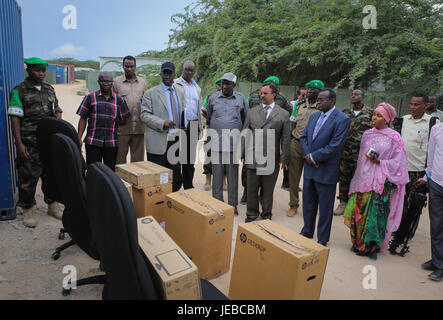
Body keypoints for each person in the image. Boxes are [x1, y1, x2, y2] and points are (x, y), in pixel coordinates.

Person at [344, 103, 409, 260]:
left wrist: (380, 161)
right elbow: (361, 160)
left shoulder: (394, 137)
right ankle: (358, 243)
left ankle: (372, 246)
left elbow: (398, 162)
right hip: (363, 180)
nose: (374, 118)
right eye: (374, 114)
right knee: (358, 213)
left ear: (386, 119)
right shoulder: (367, 134)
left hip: (380, 182)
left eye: (379, 116)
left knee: (375, 216)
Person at [8, 57, 64, 228]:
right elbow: (15, 119)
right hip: (29, 143)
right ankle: (28, 208)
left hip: (49, 142)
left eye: (43, 71)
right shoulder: (19, 91)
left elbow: (57, 110)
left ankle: (52, 205)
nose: (41, 74)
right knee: (28, 177)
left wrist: (58, 118)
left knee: (51, 175)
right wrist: (19, 143)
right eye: (37, 70)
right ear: (29, 71)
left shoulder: (49, 89)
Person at [389, 93, 439, 256]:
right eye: (411, 104)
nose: (412, 107)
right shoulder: (402, 121)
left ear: (425, 106)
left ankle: (406, 236)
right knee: (398, 203)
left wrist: (427, 175)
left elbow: (433, 152)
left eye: (417, 105)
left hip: (418, 173)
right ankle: (395, 232)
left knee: (414, 206)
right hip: (400, 170)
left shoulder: (433, 124)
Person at [300, 89, 350, 246]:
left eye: (322, 100)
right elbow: (304, 137)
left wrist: (315, 157)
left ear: (332, 101)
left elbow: (335, 145)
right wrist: (308, 155)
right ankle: (307, 230)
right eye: (318, 100)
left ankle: (322, 238)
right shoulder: (314, 116)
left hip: (326, 170)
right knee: (308, 203)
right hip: (310, 168)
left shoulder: (342, 120)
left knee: (325, 208)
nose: (318, 102)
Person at [242, 83, 291, 222]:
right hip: (253, 155)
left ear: (274, 95)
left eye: (265, 93)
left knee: (268, 189)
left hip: (271, 158)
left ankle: (266, 214)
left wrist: (284, 158)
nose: (261, 96)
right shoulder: (252, 111)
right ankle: (251, 214)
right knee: (251, 188)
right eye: (261, 93)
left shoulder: (283, 114)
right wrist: (241, 152)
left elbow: (286, 139)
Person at [140, 62, 185, 192]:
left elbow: (182, 112)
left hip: (175, 141)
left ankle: (171, 206)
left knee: (175, 179)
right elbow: (144, 115)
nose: (167, 76)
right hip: (157, 142)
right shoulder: (150, 93)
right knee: (158, 180)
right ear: (160, 74)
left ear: (174, 74)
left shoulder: (180, 92)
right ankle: (159, 207)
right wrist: (162, 123)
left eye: (170, 73)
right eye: (165, 73)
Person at [206, 72, 248, 215]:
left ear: (233, 85)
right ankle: (217, 204)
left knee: (232, 178)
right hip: (217, 144)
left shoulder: (241, 99)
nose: (224, 86)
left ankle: (232, 205)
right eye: (222, 83)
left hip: (233, 145)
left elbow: (244, 120)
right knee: (216, 177)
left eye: (227, 84)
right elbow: (209, 118)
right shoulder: (213, 98)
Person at [77, 72, 130, 171]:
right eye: (103, 81)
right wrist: (79, 138)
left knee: (109, 172)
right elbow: (83, 118)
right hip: (93, 141)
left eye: (109, 81)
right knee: (93, 170)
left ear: (112, 83)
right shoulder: (90, 98)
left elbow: (124, 119)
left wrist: (112, 124)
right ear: (98, 82)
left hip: (111, 143)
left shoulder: (119, 100)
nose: (106, 84)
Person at [287, 80, 324, 217]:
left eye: (314, 90)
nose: (310, 92)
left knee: (311, 179)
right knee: (294, 177)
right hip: (296, 144)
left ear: (320, 93)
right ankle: (293, 204)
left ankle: (310, 207)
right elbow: (292, 124)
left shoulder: (321, 108)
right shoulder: (298, 105)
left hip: (312, 148)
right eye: (308, 89)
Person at [334, 89, 373, 216]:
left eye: (356, 94)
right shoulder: (345, 112)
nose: (353, 96)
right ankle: (343, 203)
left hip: (361, 155)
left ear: (363, 97)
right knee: (344, 178)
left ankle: (355, 206)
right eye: (352, 94)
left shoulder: (370, 113)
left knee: (359, 180)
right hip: (345, 153)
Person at [415, 122, 443, 281]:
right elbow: (431, 157)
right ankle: (437, 261)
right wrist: (427, 177)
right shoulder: (437, 129)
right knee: (437, 224)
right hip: (437, 184)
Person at [174, 60, 203, 190]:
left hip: (193, 125)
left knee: (189, 160)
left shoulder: (197, 87)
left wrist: (199, 127)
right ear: (182, 70)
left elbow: (198, 108)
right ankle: (175, 186)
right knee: (175, 156)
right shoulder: (175, 84)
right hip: (179, 126)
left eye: (192, 70)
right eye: (187, 69)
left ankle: (188, 187)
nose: (190, 72)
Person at [113, 56, 147, 164]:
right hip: (122, 129)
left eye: (131, 66)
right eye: (126, 66)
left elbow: (145, 102)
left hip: (139, 128)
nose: (129, 69)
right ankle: (119, 181)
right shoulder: (116, 82)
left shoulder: (142, 82)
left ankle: (135, 181)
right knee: (119, 161)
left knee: (138, 163)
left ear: (135, 67)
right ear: (123, 66)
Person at [201, 78, 223, 191]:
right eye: (219, 85)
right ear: (216, 86)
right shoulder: (210, 97)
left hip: (226, 132)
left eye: (223, 85)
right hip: (212, 131)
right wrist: (211, 121)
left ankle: (223, 181)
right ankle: (208, 180)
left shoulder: (231, 98)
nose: (221, 87)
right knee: (209, 155)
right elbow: (204, 112)